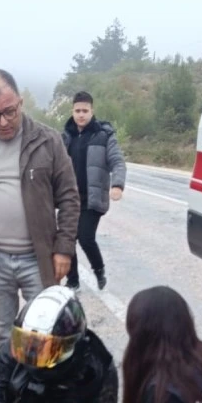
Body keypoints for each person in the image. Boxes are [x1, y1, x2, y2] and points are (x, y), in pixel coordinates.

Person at [0, 68, 81, 361]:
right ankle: (7, 396)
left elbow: (70, 197)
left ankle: (41, 394)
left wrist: (64, 248)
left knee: (44, 334)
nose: (3, 122)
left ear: (20, 102)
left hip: (39, 257)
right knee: (0, 335)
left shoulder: (48, 141)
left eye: (9, 111)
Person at [61, 91, 126, 292]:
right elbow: (51, 164)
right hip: (70, 199)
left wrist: (117, 185)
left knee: (85, 237)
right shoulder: (65, 137)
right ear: (72, 111)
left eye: (85, 111)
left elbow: (118, 162)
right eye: (77, 111)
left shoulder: (104, 135)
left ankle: (99, 270)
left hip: (93, 198)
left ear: (92, 111)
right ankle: (73, 281)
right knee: (67, 240)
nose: (81, 114)